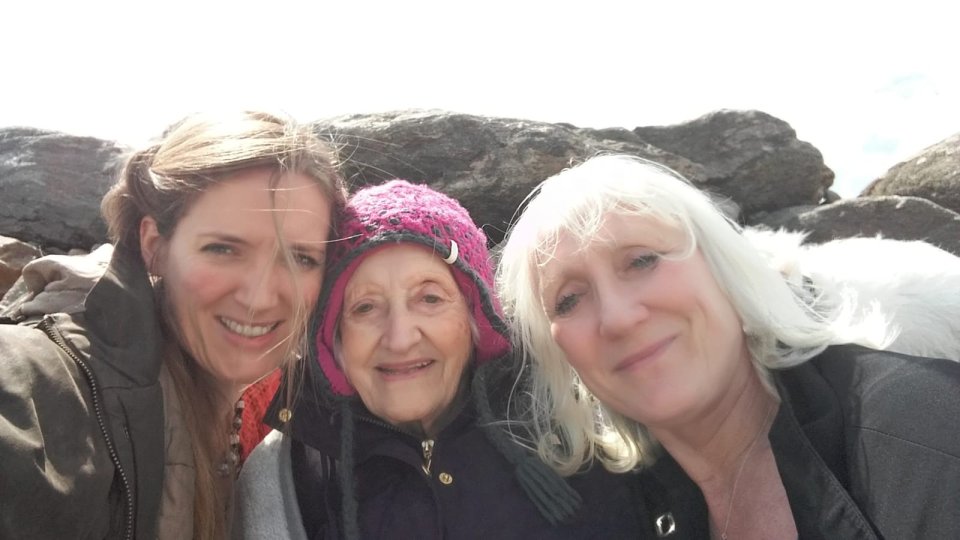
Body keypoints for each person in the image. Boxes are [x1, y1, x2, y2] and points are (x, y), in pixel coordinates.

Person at [495, 154, 960, 539]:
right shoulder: (624, 511)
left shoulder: (922, 431)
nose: (618, 317)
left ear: (723, 265)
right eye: (569, 299)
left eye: (642, 260)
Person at [0, 111, 347, 540]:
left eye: (301, 258)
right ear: (154, 246)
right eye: (223, 248)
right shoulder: (56, 383)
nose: (259, 297)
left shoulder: (287, 400)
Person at [234, 180, 644, 539]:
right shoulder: (283, 478)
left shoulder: (585, 429)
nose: (399, 338)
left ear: (475, 318)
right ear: (332, 337)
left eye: (429, 298)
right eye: (364, 308)